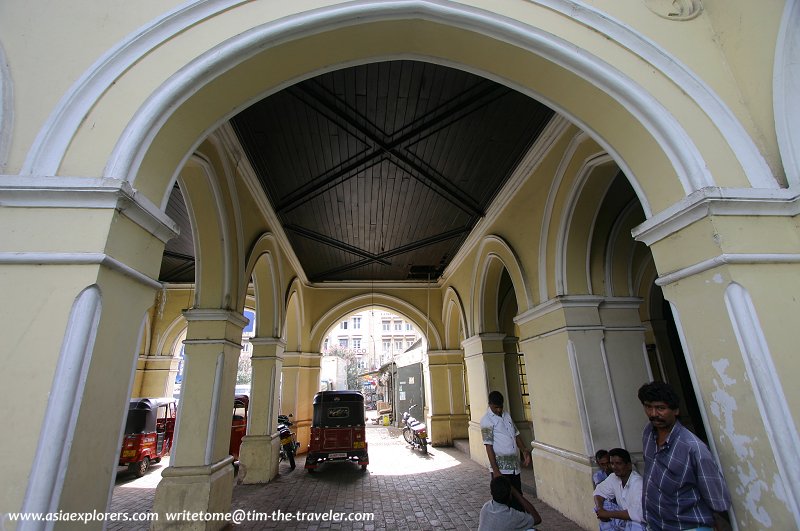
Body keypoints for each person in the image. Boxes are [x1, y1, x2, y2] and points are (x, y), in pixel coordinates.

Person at [638, 382, 731, 531]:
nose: (653, 413)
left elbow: (717, 500)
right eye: (648, 407)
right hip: (656, 524)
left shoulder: (694, 449)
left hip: (688, 526)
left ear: (675, 410)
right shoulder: (648, 433)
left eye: (660, 408)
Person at [481, 390, 532, 512]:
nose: (498, 410)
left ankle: (519, 523)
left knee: (518, 497)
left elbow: (516, 434)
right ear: (490, 404)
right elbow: (488, 446)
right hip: (501, 469)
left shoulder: (506, 415)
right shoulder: (487, 420)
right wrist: (496, 471)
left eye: (500, 406)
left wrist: (524, 450)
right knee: (503, 501)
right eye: (495, 407)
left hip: (514, 468)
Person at [593, 448, 645, 531]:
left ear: (628, 465)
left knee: (635, 525)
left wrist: (607, 514)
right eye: (612, 463)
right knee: (604, 505)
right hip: (625, 520)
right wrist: (600, 509)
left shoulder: (638, 483)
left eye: (618, 463)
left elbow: (637, 514)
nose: (614, 467)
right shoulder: (614, 477)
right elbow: (598, 492)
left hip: (640, 523)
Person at [478, 475, 542, 531]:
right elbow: (537, 519)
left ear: (491, 493)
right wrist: (516, 493)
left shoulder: (486, 507)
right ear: (510, 495)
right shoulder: (512, 516)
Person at [593, 449, 625, 531]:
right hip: (612, 506)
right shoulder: (599, 476)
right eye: (603, 464)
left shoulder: (621, 473)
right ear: (598, 464)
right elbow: (600, 493)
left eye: (608, 463)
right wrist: (601, 510)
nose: (606, 467)